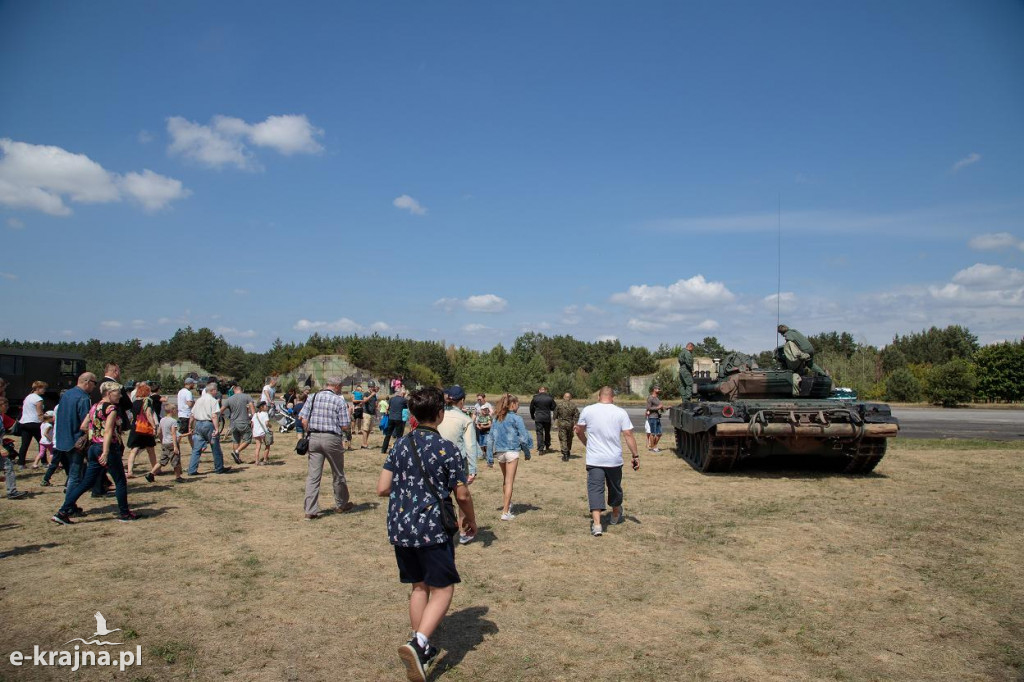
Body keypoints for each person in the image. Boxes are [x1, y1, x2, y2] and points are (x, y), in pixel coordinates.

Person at [375, 386, 477, 682]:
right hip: (431, 527)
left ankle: (421, 644)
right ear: (440, 414)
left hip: (400, 526)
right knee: (443, 587)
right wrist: (470, 520)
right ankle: (418, 643)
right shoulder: (448, 449)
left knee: (419, 586)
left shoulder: (399, 445)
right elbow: (463, 494)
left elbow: (382, 488)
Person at [51, 380, 137, 524]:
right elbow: (108, 431)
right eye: (118, 393)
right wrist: (105, 450)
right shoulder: (111, 409)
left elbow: (84, 426)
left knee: (86, 482)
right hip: (107, 449)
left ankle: (63, 511)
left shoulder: (94, 407)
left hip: (93, 448)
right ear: (109, 394)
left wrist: (96, 433)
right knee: (120, 481)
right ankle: (124, 513)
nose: (120, 396)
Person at [575, 386, 639, 537]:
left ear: (598, 397)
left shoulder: (588, 410)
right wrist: (635, 455)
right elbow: (628, 434)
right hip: (613, 460)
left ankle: (597, 525)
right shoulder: (620, 412)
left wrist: (587, 443)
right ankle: (615, 514)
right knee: (615, 488)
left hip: (595, 459)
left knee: (595, 489)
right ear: (612, 398)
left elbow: (578, 430)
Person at [298, 376, 354, 520]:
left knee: (313, 476)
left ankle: (310, 510)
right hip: (332, 439)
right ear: (337, 386)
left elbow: (303, 419)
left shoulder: (312, 397)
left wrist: (310, 430)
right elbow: (345, 426)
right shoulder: (339, 400)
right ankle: (341, 504)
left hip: (314, 438)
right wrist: (349, 414)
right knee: (338, 473)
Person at [437, 385, 480, 545]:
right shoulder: (465, 419)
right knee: (461, 496)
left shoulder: (438, 415)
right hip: (457, 462)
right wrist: (473, 469)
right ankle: (463, 530)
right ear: (462, 401)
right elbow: (470, 446)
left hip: (436, 460)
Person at [41, 372, 95, 496]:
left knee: (72, 473)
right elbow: (85, 421)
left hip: (62, 439)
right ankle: (69, 507)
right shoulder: (84, 397)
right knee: (75, 475)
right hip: (76, 440)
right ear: (87, 382)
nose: (94, 386)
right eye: (94, 383)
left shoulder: (66, 394)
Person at [486, 394, 533, 521]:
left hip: (500, 452)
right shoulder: (516, 419)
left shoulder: (497, 419)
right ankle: (505, 512)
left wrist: (489, 457)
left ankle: (508, 503)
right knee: (509, 481)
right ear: (512, 405)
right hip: (512, 452)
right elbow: (523, 438)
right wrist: (527, 453)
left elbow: (490, 439)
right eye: (517, 404)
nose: (518, 406)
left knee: (505, 480)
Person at [187, 382, 232, 476]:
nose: (217, 392)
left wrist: (190, 426)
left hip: (198, 424)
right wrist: (216, 429)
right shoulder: (213, 401)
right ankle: (219, 468)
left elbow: (192, 415)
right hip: (208, 424)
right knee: (215, 447)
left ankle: (191, 470)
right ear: (213, 390)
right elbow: (214, 416)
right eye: (216, 390)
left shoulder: (199, 400)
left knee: (196, 449)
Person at [126, 382, 159, 479]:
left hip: (135, 428)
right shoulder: (147, 401)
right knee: (150, 449)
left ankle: (130, 471)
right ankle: (155, 469)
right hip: (145, 428)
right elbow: (148, 414)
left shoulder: (135, 402)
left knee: (134, 450)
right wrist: (153, 426)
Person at [0, 397, 29, 499]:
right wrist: (1, 448)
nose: (7, 407)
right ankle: (12, 492)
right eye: (5, 405)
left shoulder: (1, 417)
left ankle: (12, 491)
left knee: (8, 467)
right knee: (8, 467)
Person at [222, 382, 255, 465]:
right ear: (242, 390)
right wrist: (254, 418)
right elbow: (252, 407)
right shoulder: (247, 397)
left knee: (236, 440)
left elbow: (221, 410)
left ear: (234, 390)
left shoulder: (229, 399)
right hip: (243, 421)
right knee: (248, 439)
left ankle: (237, 457)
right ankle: (236, 452)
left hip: (233, 423)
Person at [16, 380, 47, 466]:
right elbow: (40, 413)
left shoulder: (28, 397)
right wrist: (44, 422)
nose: (44, 390)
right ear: (37, 388)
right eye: (43, 388)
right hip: (35, 423)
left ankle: (21, 463)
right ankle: (44, 461)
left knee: (24, 444)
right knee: (42, 443)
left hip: (24, 423)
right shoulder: (38, 399)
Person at [154, 404, 183, 482]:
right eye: (176, 409)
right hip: (171, 443)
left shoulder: (162, 420)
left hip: (165, 442)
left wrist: (162, 440)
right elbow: (173, 433)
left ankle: (151, 473)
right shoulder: (173, 421)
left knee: (162, 460)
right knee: (175, 460)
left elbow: (159, 432)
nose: (177, 411)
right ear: (172, 410)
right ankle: (178, 477)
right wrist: (175, 446)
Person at [553, 392, 580, 462]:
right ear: (570, 398)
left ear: (564, 397)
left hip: (562, 423)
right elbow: (577, 415)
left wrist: (555, 420)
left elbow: (555, 414)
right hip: (570, 424)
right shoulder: (573, 405)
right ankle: (568, 450)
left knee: (563, 438)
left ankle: (565, 453)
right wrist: (575, 423)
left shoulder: (559, 405)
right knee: (569, 438)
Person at [529, 387, 556, 453]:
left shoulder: (535, 398)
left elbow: (531, 408)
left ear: (539, 390)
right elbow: (554, 407)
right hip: (547, 417)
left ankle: (540, 449)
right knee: (547, 432)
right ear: (546, 391)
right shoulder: (550, 398)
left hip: (538, 417)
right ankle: (547, 446)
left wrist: (532, 416)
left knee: (539, 433)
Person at [381, 388, 408, 454]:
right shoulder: (404, 400)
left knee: (388, 434)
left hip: (391, 418)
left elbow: (388, 408)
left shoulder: (391, 399)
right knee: (399, 436)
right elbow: (406, 407)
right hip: (399, 418)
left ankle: (383, 449)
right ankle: (398, 450)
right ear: (401, 394)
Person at [177, 377, 196, 447]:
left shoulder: (180, 391)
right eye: (193, 384)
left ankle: (194, 447)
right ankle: (175, 446)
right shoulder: (188, 393)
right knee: (181, 433)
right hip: (186, 415)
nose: (193, 385)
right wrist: (194, 403)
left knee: (190, 433)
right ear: (190, 384)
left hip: (181, 414)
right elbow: (189, 404)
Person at [359, 384, 379, 449]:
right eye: (370, 387)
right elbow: (364, 400)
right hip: (366, 413)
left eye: (372, 387)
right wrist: (371, 395)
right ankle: (364, 444)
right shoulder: (366, 393)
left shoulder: (374, 395)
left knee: (369, 430)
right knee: (365, 429)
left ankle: (364, 443)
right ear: (368, 387)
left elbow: (375, 404)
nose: (372, 388)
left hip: (372, 413)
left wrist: (376, 412)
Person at [645, 385, 664, 452]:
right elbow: (648, 408)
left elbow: (659, 406)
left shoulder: (657, 398)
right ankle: (653, 448)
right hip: (652, 417)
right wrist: (658, 407)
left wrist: (664, 408)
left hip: (657, 417)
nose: (659, 390)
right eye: (658, 389)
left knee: (659, 433)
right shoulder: (650, 398)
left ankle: (654, 446)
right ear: (654, 390)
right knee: (653, 433)